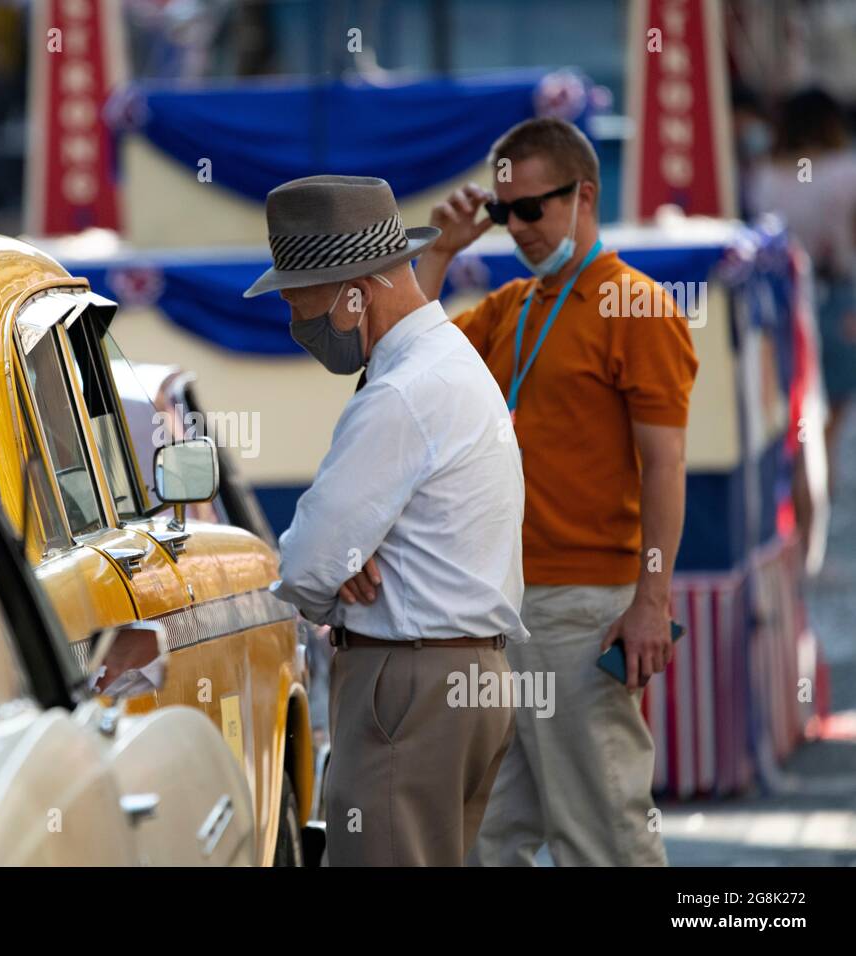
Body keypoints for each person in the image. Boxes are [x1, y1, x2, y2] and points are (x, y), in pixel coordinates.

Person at [414, 118, 698, 866]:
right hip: (506, 603)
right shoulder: (513, 305)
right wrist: (442, 248)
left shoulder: (637, 309)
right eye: (505, 213)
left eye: (533, 209)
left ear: (584, 197)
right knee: (485, 839)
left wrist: (651, 599)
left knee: (601, 830)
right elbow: (402, 359)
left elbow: (665, 465)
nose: (518, 229)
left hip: (583, 606)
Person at [246, 174, 528, 866]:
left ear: (355, 291)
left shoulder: (402, 391)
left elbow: (310, 562)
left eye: (299, 300)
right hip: (462, 678)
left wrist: (334, 571)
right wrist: (348, 557)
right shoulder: (446, 364)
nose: (295, 322)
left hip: (407, 689)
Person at [753, 88, 856, 494]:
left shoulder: (766, 174)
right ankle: (817, 500)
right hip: (835, 295)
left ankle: (795, 505)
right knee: (828, 418)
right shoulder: (845, 171)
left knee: (792, 412)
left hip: (779, 299)